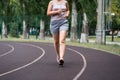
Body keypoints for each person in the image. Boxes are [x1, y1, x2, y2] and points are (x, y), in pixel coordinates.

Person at [47, 0, 70, 65]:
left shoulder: (65, 2)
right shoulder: (52, 2)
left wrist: (67, 14)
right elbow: (48, 13)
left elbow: (68, 10)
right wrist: (57, 12)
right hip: (54, 23)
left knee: (62, 40)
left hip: (64, 22)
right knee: (56, 42)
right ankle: (58, 55)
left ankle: (61, 58)